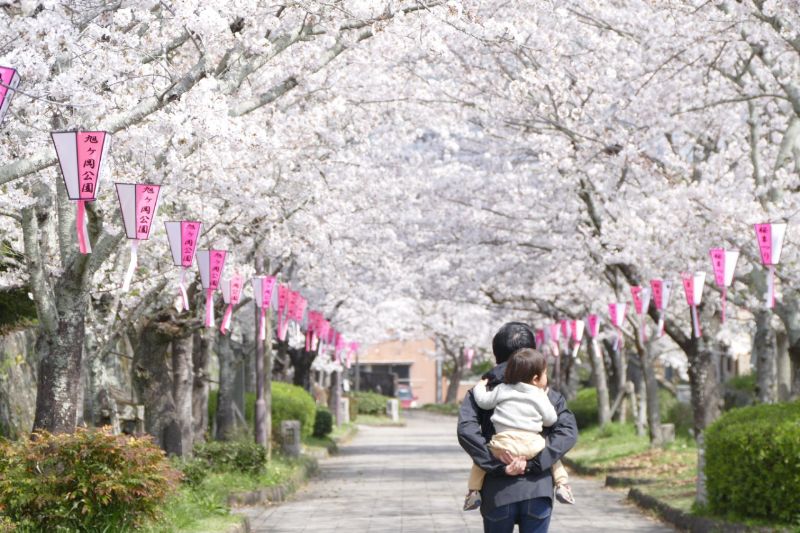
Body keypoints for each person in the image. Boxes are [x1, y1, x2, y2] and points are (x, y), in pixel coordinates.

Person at [457, 322, 578, 533]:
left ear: (496, 354)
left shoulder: (484, 390)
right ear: (532, 351)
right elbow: (567, 432)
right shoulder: (544, 392)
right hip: (538, 488)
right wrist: (535, 464)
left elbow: (466, 430)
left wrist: (495, 464)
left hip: (497, 490)